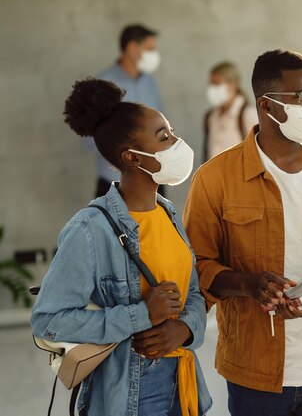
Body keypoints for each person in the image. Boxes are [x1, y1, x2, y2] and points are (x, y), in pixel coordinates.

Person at [184, 49, 302, 416]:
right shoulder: (215, 179)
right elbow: (197, 265)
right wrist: (246, 284)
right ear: (267, 106)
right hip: (254, 377)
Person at [31, 78, 212, 416]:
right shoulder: (90, 229)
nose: (176, 143)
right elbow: (48, 321)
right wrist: (141, 315)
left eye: (171, 133)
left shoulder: (168, 213)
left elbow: (194, 294)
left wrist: (184, 329)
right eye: (163, 137)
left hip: (183, 386)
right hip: (129, 395)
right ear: (131, 157)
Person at [84, 24, 167, 198]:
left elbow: (161, 126)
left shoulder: (150, 82)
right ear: (131, 48)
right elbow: (89, 138)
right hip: (115, 184)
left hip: (154, 180)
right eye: (150, 49)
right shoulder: (104, 85)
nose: (154, 54)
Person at [203, 61, 257, 161]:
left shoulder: (248, 114)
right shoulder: (211, 116)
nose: (212, 89)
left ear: (233, 84)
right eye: (211, 83)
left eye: (217, 84)